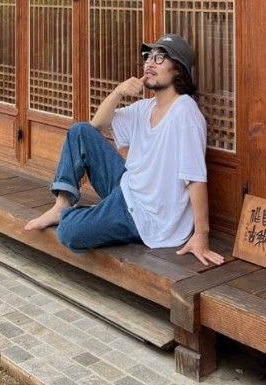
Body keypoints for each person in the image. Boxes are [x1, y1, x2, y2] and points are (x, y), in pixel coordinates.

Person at [24, 34, 224, 267]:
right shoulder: (144, 107)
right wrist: (118, 92)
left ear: (178, 70)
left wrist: (201, 235)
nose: (149, 62)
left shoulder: (185, 113)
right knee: (80, 131)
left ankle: (84, 216)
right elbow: (97, 125)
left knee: (69, 232)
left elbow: (195, 178)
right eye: (148, 56)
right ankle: (62, 206)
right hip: (129, 188)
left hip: (145, 215)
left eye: (160, 58)